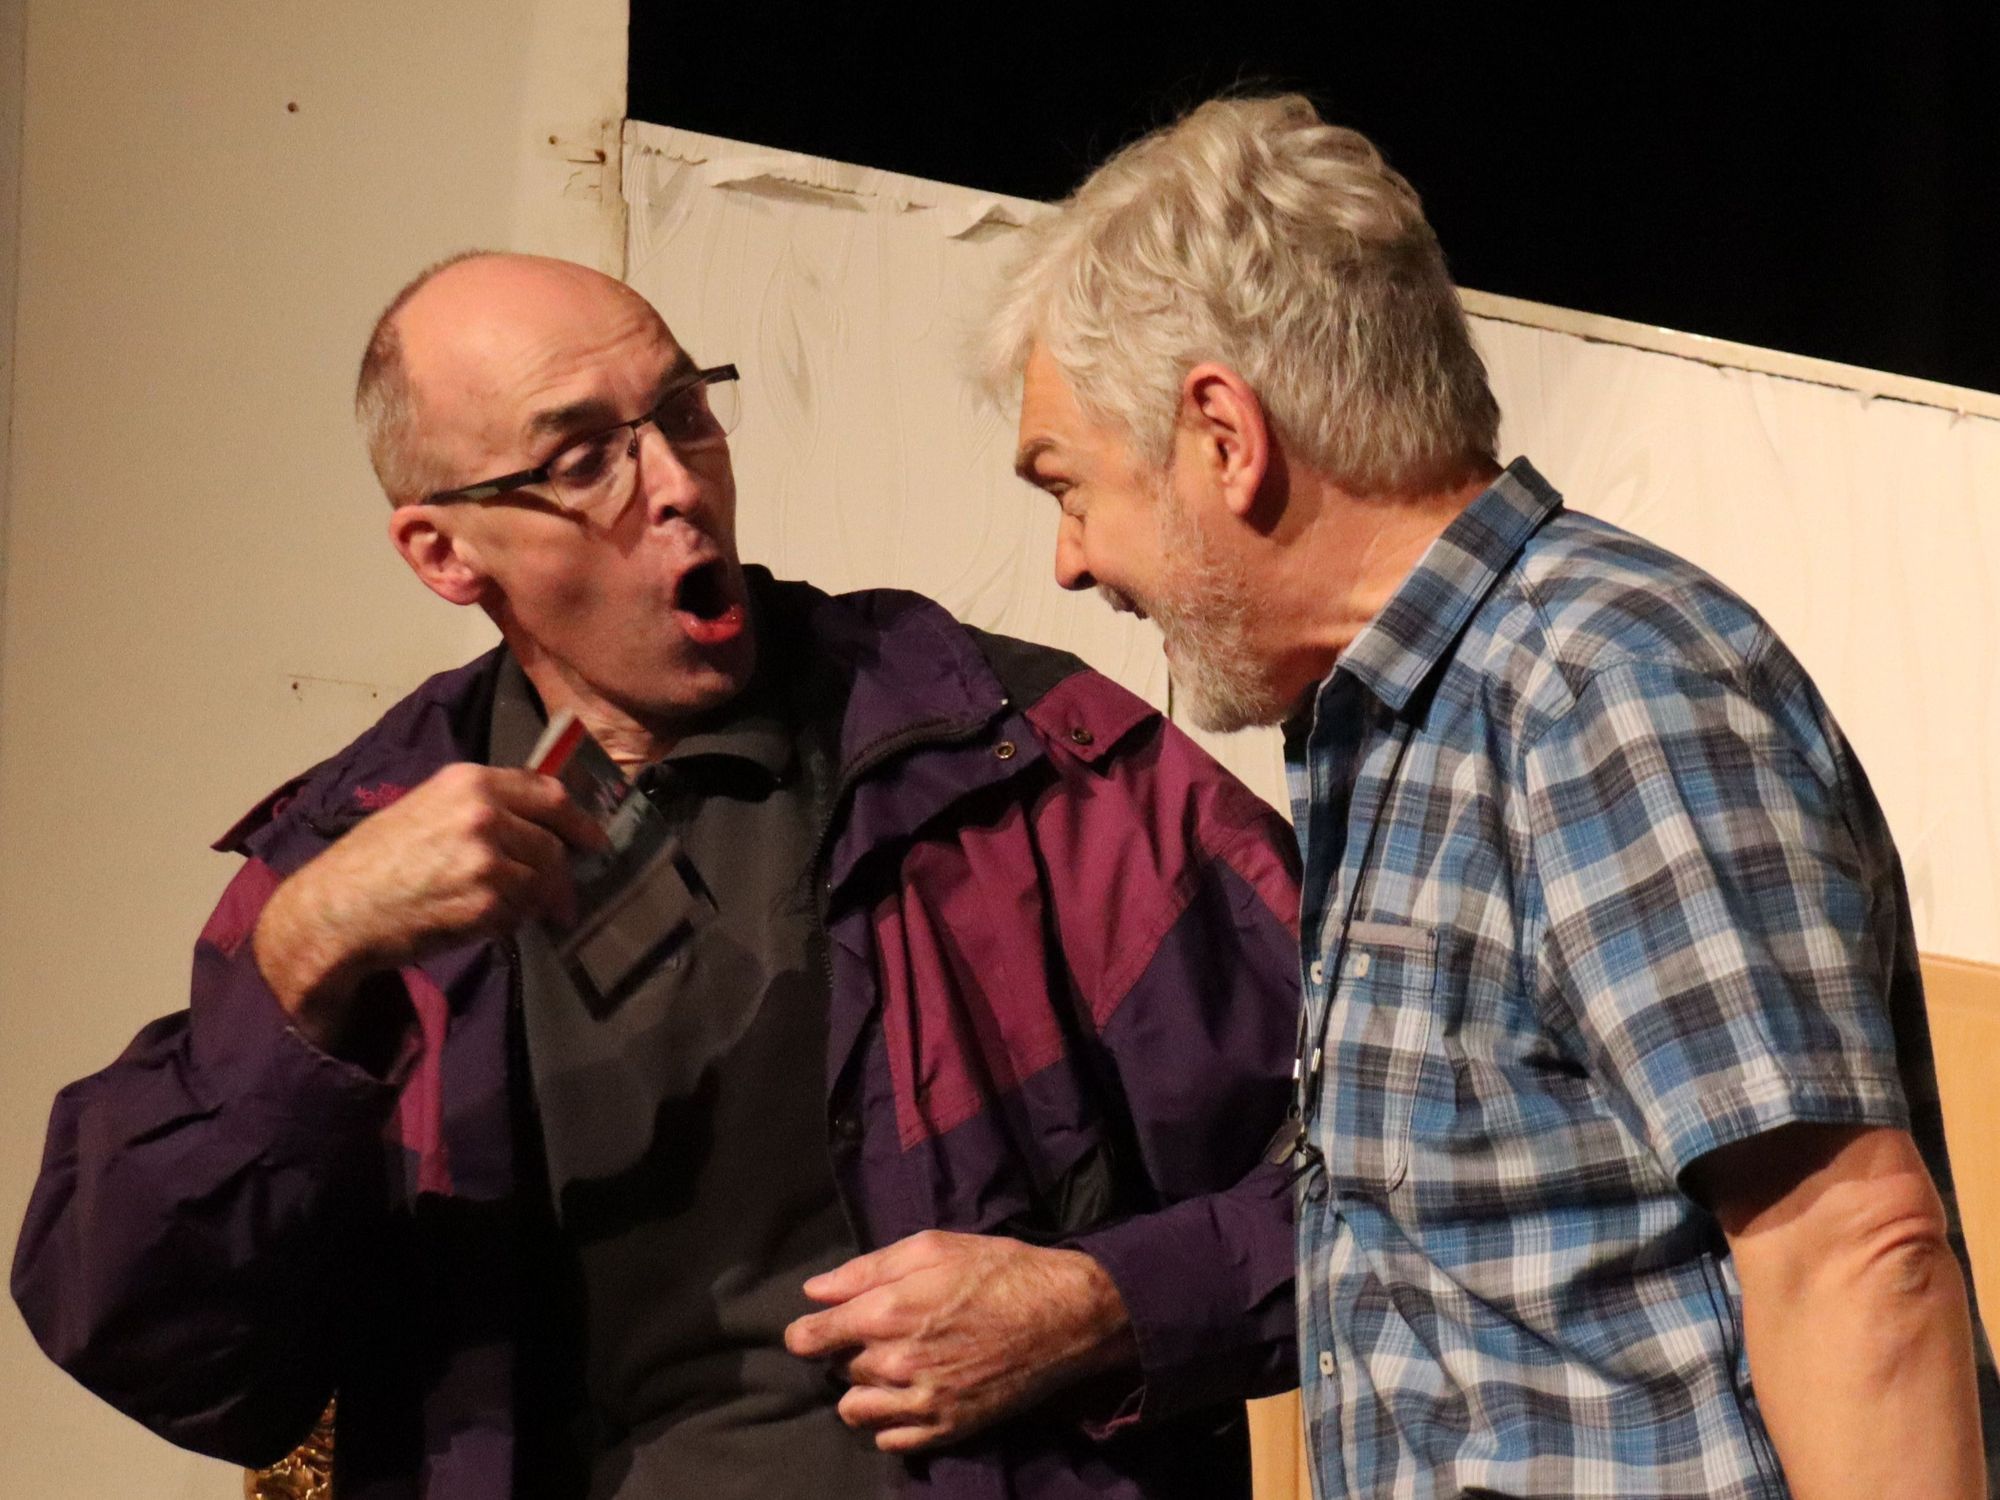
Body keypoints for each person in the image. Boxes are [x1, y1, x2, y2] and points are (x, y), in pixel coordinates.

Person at [12, 252, 1304, 1500]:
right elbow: (159, 1348)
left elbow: (1385, 1177)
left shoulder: (1018, 764)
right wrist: (300, 963)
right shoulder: (354, 853)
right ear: (446, 554)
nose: (678, 482)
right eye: (585, 459)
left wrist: (1099, 1304)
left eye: (685, 412)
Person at [982, 93, 1997, 1499]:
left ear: (1223, 434)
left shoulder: (1597, 692)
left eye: (1070, 487)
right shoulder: (1409, 728)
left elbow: (1851, 1255)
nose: (1071, 561)